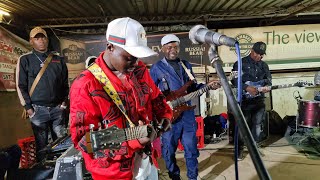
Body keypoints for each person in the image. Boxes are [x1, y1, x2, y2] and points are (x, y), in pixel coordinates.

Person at [69, 17, 172, 180]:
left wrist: (165, 115)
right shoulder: (86, 85)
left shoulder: (139, 70)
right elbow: (84, 141)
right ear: (110, 46)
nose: (135, 62)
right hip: (114, 173)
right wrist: (134, 141)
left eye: (138, 57)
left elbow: (156, 98)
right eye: (130, 57)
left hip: (146, 160)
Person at [150, 34, 220, 180]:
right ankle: (175, 177)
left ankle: (192, 177)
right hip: (169, 118)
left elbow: (193, 87)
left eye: (175, 47)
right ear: (163, 49)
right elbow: (151, 94)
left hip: (187, 116)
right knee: (168, 151)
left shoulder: (185, 65)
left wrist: (207, 86)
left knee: (191, 149)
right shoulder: (157, 68)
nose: (173, 50)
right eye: (169, 47)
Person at [16, 26, 69, 162]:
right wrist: (28, 108)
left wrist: (63, 103)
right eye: (37, 38)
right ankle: (43, 171)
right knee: (41, 146)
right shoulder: (25, 59)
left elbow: (64, 84)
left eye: (43, 37)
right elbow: (20, 85)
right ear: (31, 41)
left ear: (47, 40)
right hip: (37, 110)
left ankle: (60, 170)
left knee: (62, 144)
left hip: (57, 109)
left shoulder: (58, 59)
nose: (41, 41)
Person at [231, 41, 272, 160]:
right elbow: (233, 80)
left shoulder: (264, 65)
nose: (260, 56)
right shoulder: (240, 63)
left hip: (259, 101)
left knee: (258, 126)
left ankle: (254, 148)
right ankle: (239, 150)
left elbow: (269, 81)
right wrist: (247, 88)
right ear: (252, 51)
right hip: (244, 102)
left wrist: (267, 87)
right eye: (258, 54)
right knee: (242, 126)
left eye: (262, 54)